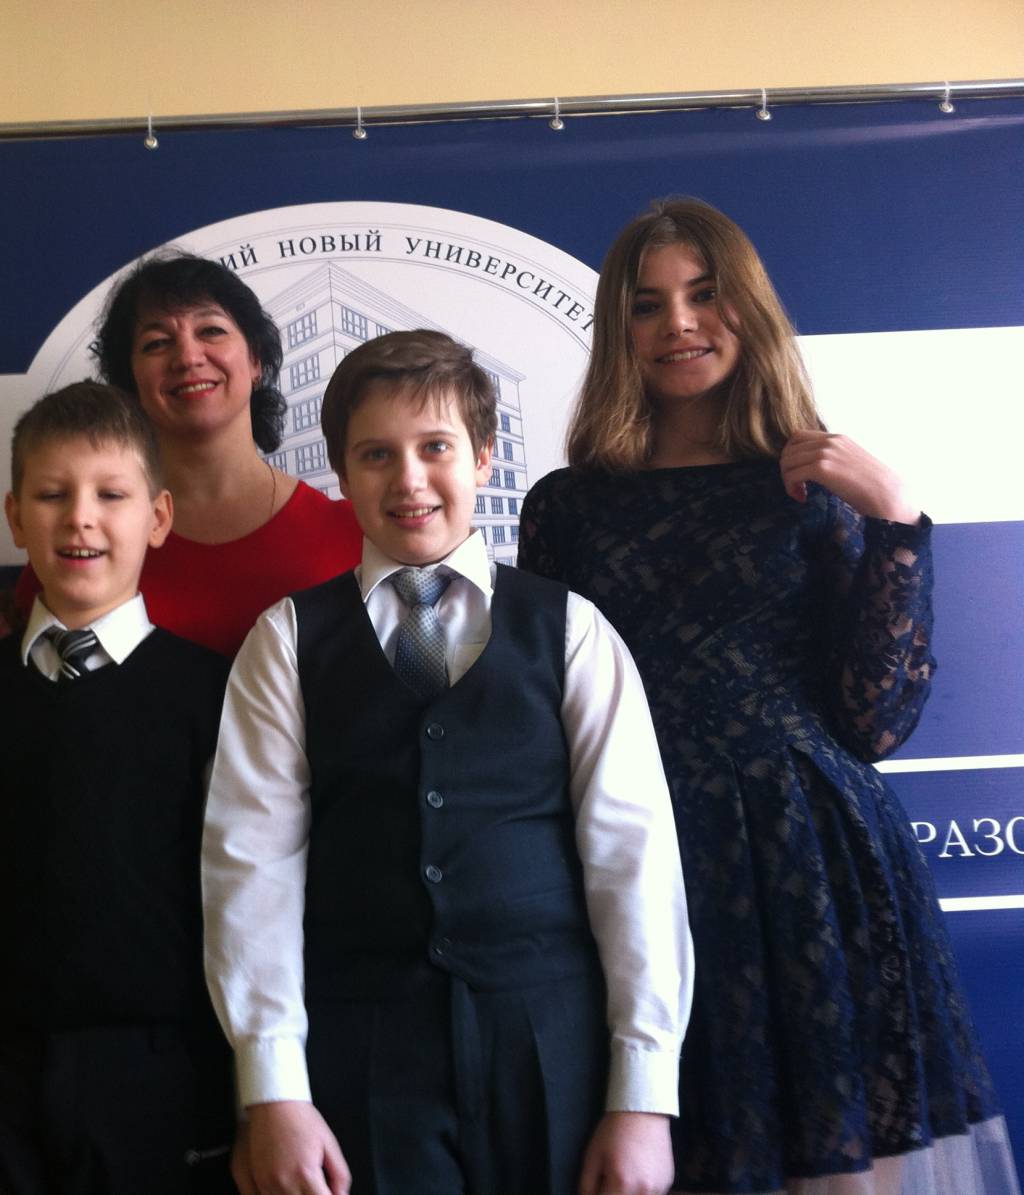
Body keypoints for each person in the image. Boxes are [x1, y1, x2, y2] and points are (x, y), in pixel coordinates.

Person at [517, 197, 1019, 1194]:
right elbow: (548, 714)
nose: (678, 323)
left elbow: (875, 722)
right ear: (619, 329)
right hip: (642, 862)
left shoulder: (819, 485)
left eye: (704, 295)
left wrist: (896, 517)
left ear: (746, 307)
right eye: (647, 304)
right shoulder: (567, 505)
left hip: (814, 869)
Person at [204, 330, 693, 1195]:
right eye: (376, 455)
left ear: (484, 456)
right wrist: (272, 1088)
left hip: (551, 1041)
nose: (409, 479)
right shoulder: (285, 641)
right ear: (341, 472)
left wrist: (643, 1096)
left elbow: (635, 860)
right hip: (364, 1049)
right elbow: (252, 867)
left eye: (435, 447)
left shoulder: (572, 630)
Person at [0, 382, 236, 1195]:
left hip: (153, 1074)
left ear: (158, 517)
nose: (80, 519)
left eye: (111, 495)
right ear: (15, 515)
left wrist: (256, 1090)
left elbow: (243, 903)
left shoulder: (209, 691)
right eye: (53, 495)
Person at [18, 251, 362, 655]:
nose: (187, 357)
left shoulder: (354, 534)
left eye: (211, 331)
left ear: (255, 359)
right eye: (157, 343)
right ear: (130, 381)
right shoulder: (77, 548)